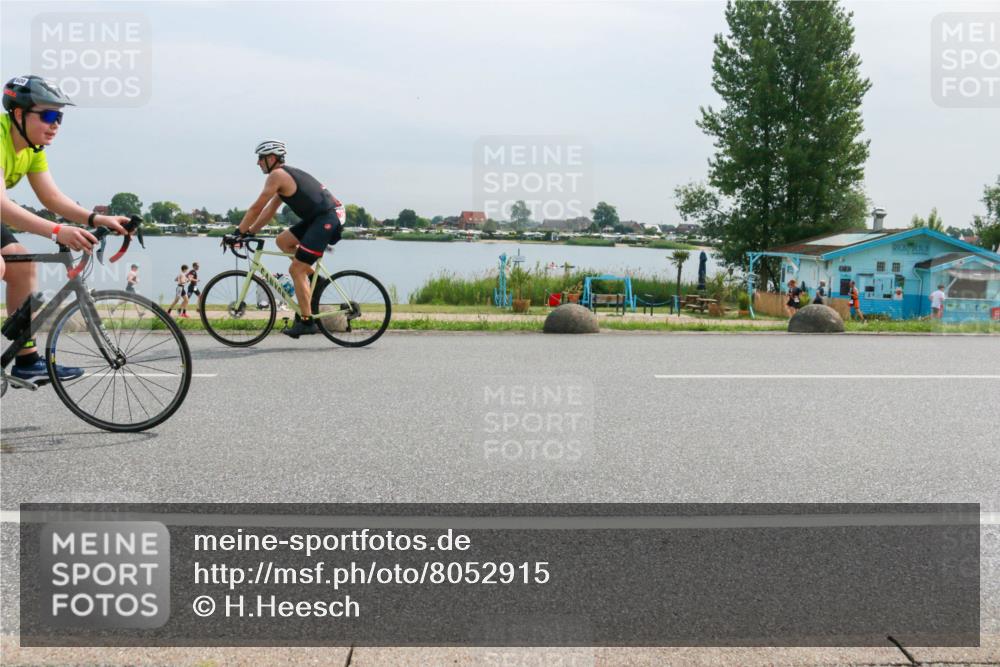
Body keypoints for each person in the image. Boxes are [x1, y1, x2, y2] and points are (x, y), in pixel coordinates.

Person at [1, 75, 129, 386]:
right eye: (47, 115)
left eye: (59, 117)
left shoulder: (32, 148)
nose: (55, 124)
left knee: (23, 264)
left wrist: (95, 219)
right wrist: (58, 231)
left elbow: (51, 197)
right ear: (19, 114)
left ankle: (27, 360)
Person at [234, 140, 345, 337]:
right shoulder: (283, 176)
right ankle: (313, 278)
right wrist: (250, 231)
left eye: (260, 158)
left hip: (327, 217)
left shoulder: (277, 175)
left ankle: (307, 321)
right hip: (319, 217)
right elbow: (269, 211)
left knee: (295, 269)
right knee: (283, 241)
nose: (258, 163)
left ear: (271, 158)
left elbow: (256, 207)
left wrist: (239, 232)